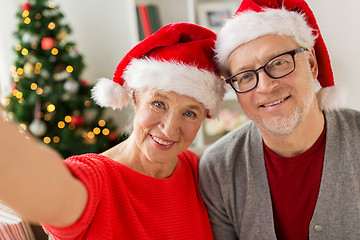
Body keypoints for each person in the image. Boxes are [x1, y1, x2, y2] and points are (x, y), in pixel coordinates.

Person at [0, 22, 226, 239]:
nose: (169, 128)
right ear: (135, 97)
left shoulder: (196, 169)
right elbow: (50, 195)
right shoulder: (97, 177)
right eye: (159, 104)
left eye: (190, 113)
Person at [198, 0, 360, 239]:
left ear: (312, 64)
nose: (265, 86)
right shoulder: (219, 168)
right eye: (244, 76)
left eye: (279, 63)